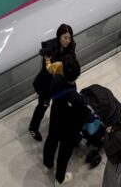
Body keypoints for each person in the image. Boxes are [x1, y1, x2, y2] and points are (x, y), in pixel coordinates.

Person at [42, 57, 89, 185]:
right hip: (69, 130)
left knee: (51, 140)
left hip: (55, 119)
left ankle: (48, 164)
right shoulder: (77, 99)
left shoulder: (56, 79)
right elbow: (85, 115)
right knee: (64, 154)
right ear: (77, 75)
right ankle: (60, 179)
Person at [29, 24, 78, 141]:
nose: (67, 41)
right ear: (59, 36)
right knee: (43, 105)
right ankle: (33, 127)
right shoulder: (49, 48)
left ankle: (65, 127)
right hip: (48, 83)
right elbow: (47, 70)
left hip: (63, 82)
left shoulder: (71, 47)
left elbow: (73, 63)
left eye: (69, 38)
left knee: (66, 104)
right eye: (65, 37)